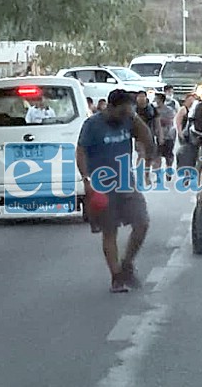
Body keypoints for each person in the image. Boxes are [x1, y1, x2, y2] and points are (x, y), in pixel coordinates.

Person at [76, 89, 154, 293]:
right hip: (102, 186)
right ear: (110, 107)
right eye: (121, 112)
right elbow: (81, 151)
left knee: (142, 222)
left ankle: (127, 263)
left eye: (127, 112)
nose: (123, 117)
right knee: (110, 231)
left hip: (126, 182)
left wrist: (135, 118)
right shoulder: (92, 125)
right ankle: (116, 277)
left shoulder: (129, 120)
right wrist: (86, 180)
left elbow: (148, 138)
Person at [135, 91, 162, 185]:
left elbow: (157, 122)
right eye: (139, 97)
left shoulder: (151, 108)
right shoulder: (134, 109)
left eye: (143, 96)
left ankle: (146, 176)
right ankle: (139, 177)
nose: (141, 99)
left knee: (148, 158)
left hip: (150, 136)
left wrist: (160, 135)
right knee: (141, 155)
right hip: (138, 136)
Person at [154, 93, 177, 181]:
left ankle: (168, 170)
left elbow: (169, 121)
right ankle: (158, 175)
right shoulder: (154, 110)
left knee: (168, 156)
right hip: (156, 135)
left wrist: (158, 120)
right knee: (157, 156)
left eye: (157, 99)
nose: (155, 101)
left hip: (168, 135)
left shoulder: (169, 110)